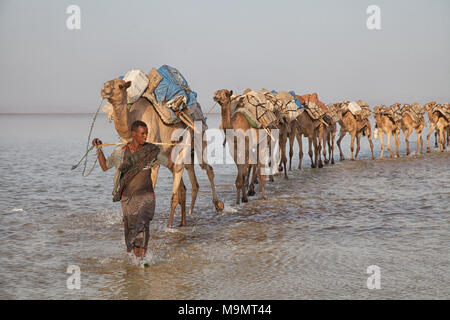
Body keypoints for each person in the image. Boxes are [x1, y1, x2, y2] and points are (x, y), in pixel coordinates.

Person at [92, 120, 172, 259]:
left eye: (146, 134)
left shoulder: (151, 150)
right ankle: (136, 260)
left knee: (143, 224)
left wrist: (173, 147)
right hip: (128, 199)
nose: (145, 137)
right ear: (133, 134)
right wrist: (99, 149)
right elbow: (104, 166)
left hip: (147, 196)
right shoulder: (121, 153)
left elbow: (169, 163)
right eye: (142, 134)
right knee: (131, 230)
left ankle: (143, 259)